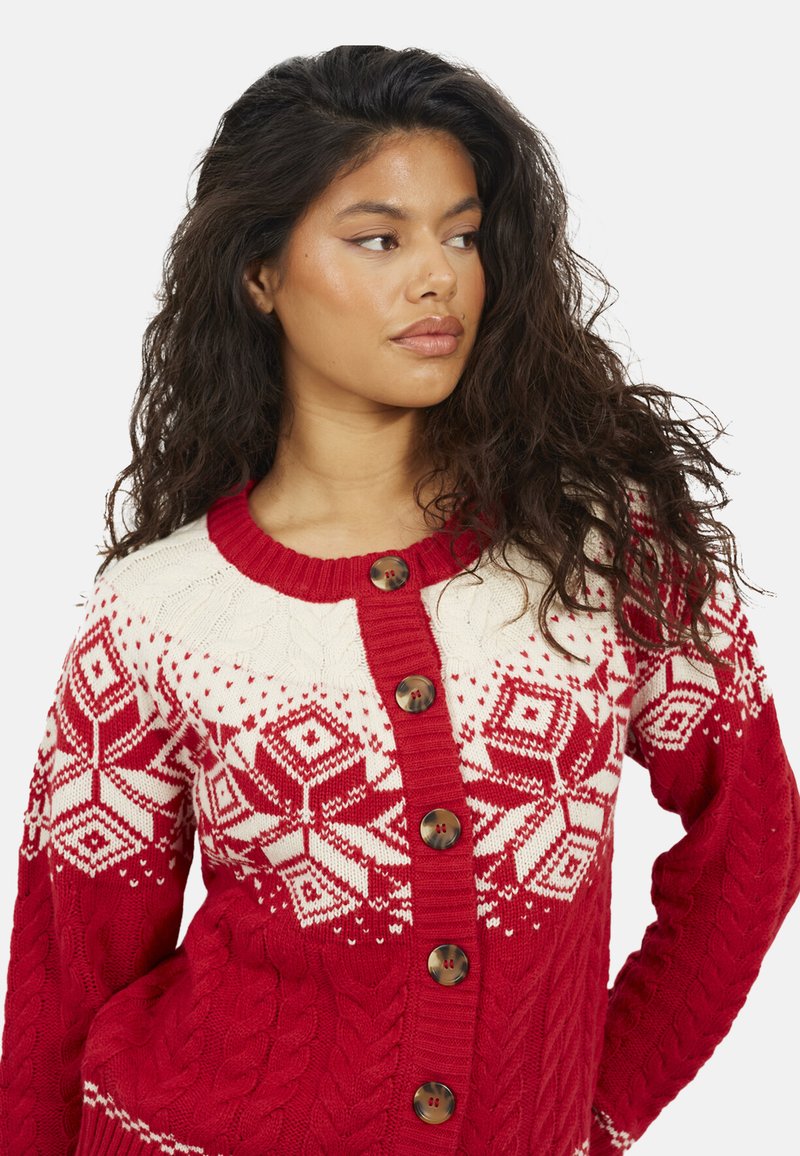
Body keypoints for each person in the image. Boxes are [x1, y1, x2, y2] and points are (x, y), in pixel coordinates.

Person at [0, 43, 798, 1156]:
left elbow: (752, 841)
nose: (438, 278)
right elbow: (62, 989)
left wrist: (592, 1108)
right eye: (378, 239)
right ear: (260, 273)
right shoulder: (156, 616)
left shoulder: (599, 546)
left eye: (460, 236)